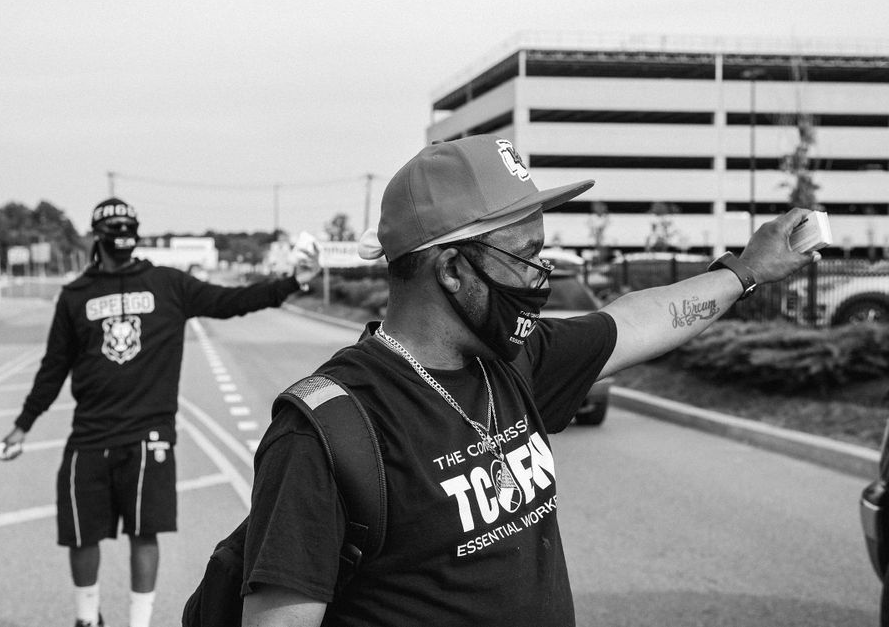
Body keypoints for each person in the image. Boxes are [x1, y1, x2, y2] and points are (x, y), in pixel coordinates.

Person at [238, 135, 816, 627]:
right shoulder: (326, 432)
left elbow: (637, 319)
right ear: (453, 269)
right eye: (527, 254)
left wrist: (747, 270)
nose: (543, 273)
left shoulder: (513, 361)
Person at [0, 197, 320, 627]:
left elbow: (232, 300)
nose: (123, 236)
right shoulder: (76, 296)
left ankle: (139, 621)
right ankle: (86, 618)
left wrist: (291, 284)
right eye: (114, 229)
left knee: (144, 533)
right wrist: (23, 425)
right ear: (98, 236)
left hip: (149, 434)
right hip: (90, 434)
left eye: (129, 227)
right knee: (80, 533)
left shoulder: (168, 284)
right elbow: (53, 367)